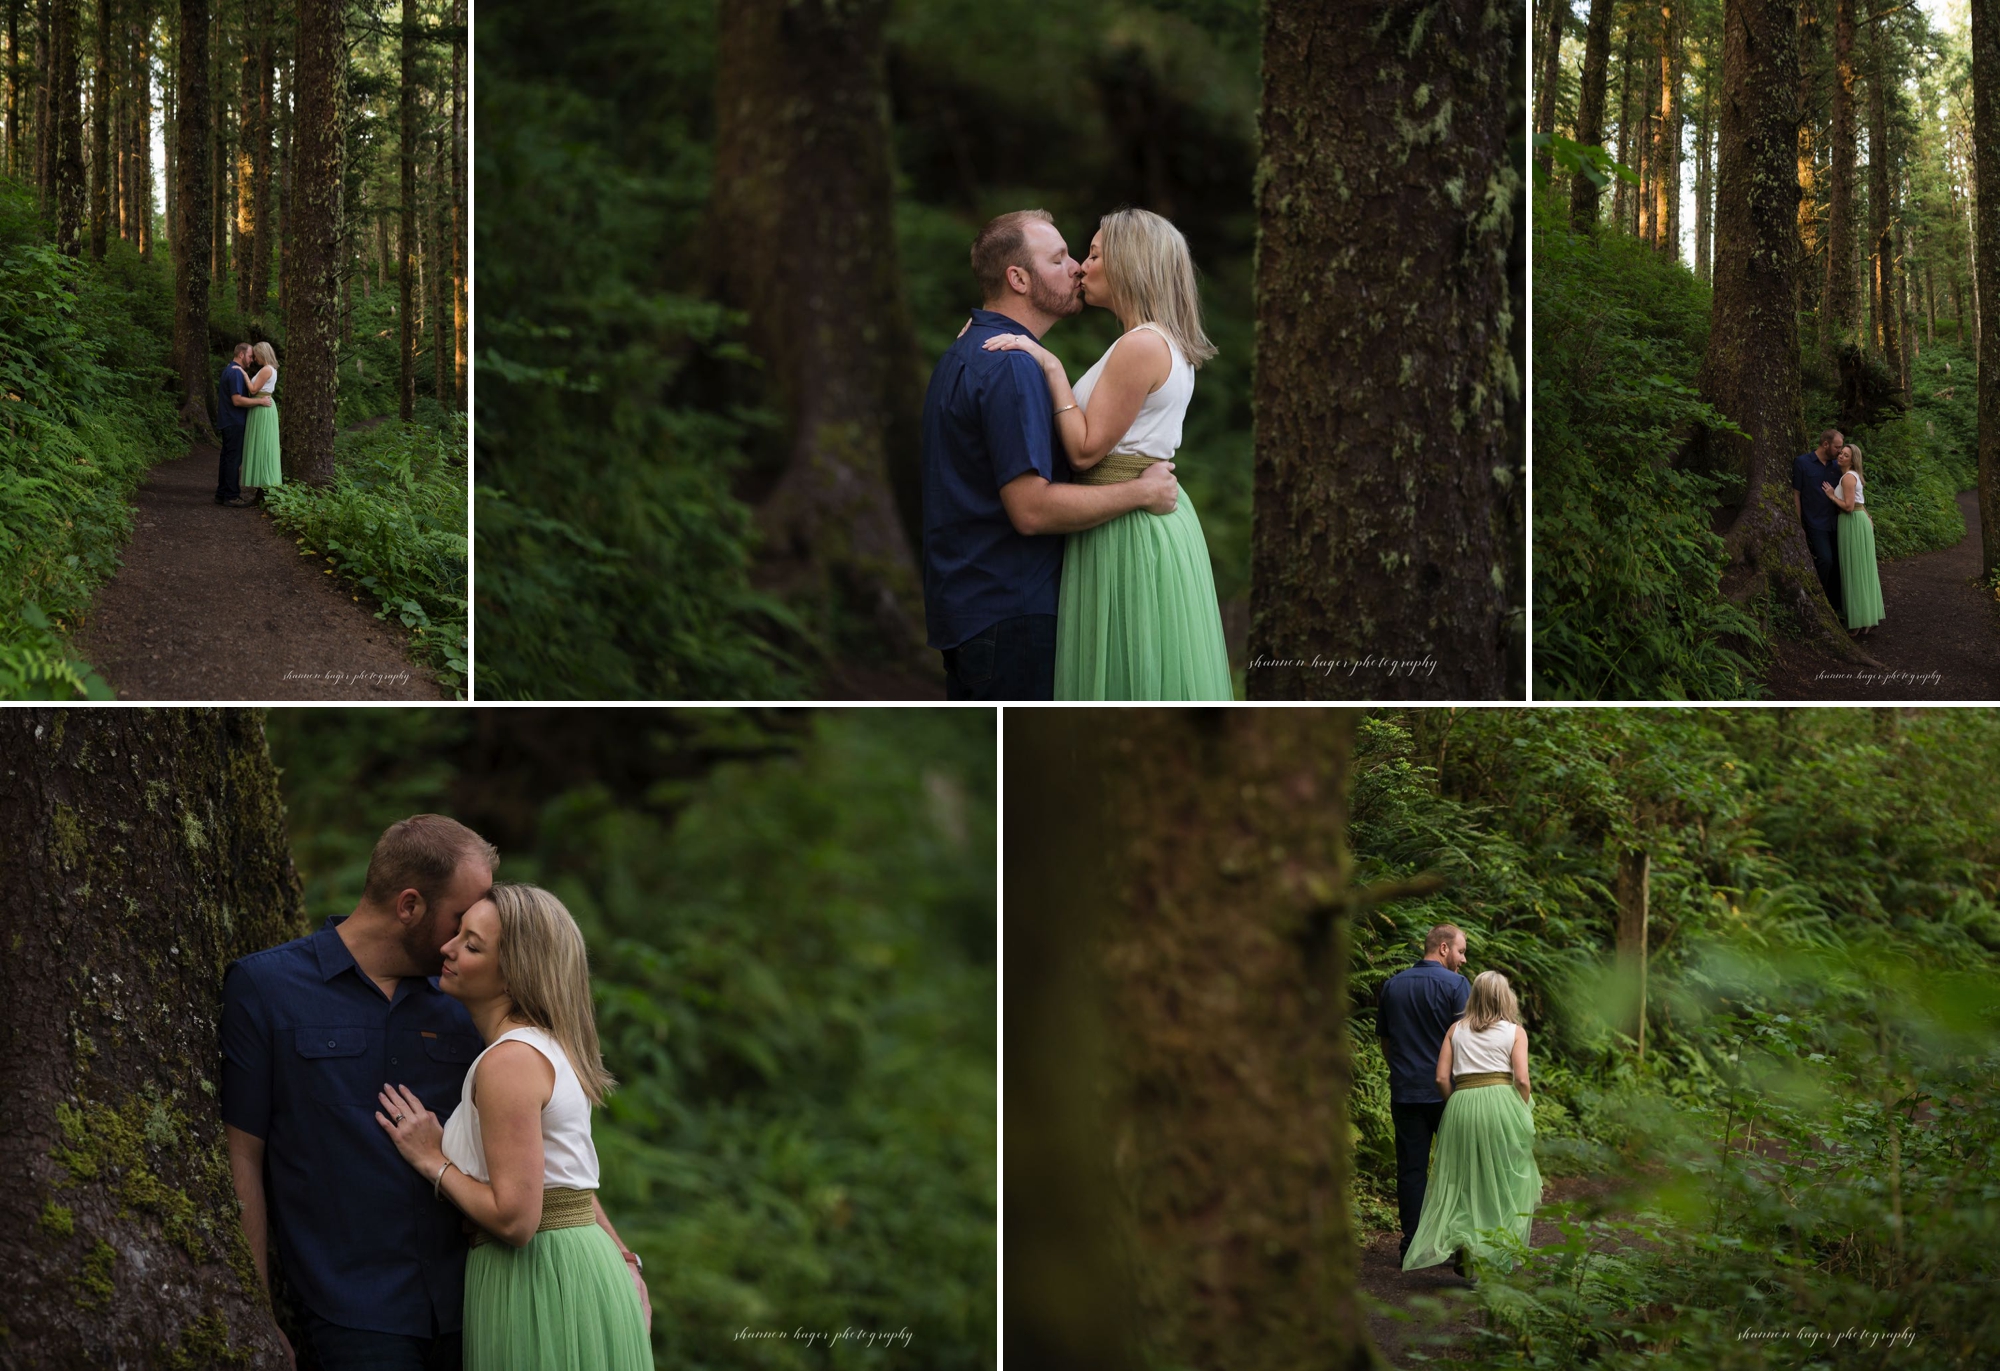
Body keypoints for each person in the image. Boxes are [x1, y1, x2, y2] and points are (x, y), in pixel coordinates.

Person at [222, 815, 499, 1369]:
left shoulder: (466, 1000)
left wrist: (620, 1254)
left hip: (477, 1305)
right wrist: (256, 1312)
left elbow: (534, 1127)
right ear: (409, 906)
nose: (466, 937)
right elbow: (242, 1155)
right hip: (351, 1315)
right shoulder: (266, 988)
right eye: (459, 918)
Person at [375, 883, 652, 1371]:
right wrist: (624, 1257)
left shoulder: (509, 1062)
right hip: (569, 1265)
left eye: (472, 945)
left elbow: (516, 1221)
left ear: (512, 974)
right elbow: (563, 1183)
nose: (447, 948)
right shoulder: (542, 1047)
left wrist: (433, 1160)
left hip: (540, 1278)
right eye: (458, 933)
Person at [919, 209, 1182, 700]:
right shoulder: (1011, 367)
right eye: (1058, 259)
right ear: (1018, 279)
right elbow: (1032, 510)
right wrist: (1141, 492)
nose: (1077, 267)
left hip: (975, 607)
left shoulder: (968, 351)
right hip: (1012, 614)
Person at [980, 208, 1232, 700]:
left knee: (1126, 667)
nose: (1082, 266)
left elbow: (1084, 452)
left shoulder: (1141, 346)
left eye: (1094, 255)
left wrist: (1050, 366)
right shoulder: (1153, 341)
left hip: (1127, 526)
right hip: (1131, 513)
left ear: (1128, 265)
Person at [1401, 970, 1544, 1277]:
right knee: (1503, 1180)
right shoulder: (1515, 1032)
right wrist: (1520, 1109)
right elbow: (1521, 1079)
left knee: (1463, 1180)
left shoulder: (1456, 1029)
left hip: (1462, 1105)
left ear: (1474, 996)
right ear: (1505, 998)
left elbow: (1441, 1077)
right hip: (1501, 1106)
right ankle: (1495, 1252)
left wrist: (1455, 1102)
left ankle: (1465, 1243)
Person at [1374, 924, 1470, 1264]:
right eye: (1460, 951)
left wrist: (1404, 1071)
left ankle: (1411, 1246)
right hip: (1450, 1095)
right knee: (1458, 1170)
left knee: (1411, 1170)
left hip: (1406, 1092)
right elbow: (1468, 1041)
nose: (1463, 960)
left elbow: (1386, 1041)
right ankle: (1460, 1245)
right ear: (1443, 948)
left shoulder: (1393, 985)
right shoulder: (1457, 985)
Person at [1822, 443, 1883, 637]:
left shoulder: (1848, 477)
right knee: (1862, 570)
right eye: (1841, 453)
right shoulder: (1853, 476)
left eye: (1846, 455)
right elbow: (1859, 503)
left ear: (1852, 460)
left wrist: (1831, 496)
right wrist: (1868, 517)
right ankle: (1866, 618)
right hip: (1858, 521)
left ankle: (1857, 622)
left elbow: (1849, 507)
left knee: (1855, 571)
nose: (1841, 456)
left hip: (1852, 522)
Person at [1792, 427, 1845, 614]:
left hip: (1836, 522)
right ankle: (1818, 600)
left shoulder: (1837, 466)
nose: (1840, 451)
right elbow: (1796, 494)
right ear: (1825, 444)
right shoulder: (1802, 463)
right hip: (1815, 522)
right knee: (1825, 560)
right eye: (1837, 447)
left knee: (1839, 564)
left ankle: (1836, 607)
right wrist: (1798, 524)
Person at [215, 343, 270, 506]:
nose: (252, 360)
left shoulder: (230, 370)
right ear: (241, 354)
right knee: (233, 459)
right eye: (250, 356)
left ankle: (222, 493)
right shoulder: (236, 373)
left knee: (227, 457)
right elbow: (237, 400)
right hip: (234, 420)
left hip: (228, 420)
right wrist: (260, 401)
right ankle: (231, 495)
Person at [240, 341, 284, 501]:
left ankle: (264, 482)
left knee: (262, 443)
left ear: (262, 354)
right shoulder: (271, 369)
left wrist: (244, 374)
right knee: (263, 443)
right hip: (261, 407)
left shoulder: (266, 369)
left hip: (261, 408)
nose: (254, 358)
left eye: (256, 355)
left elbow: (253, 390)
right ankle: (263, 485)